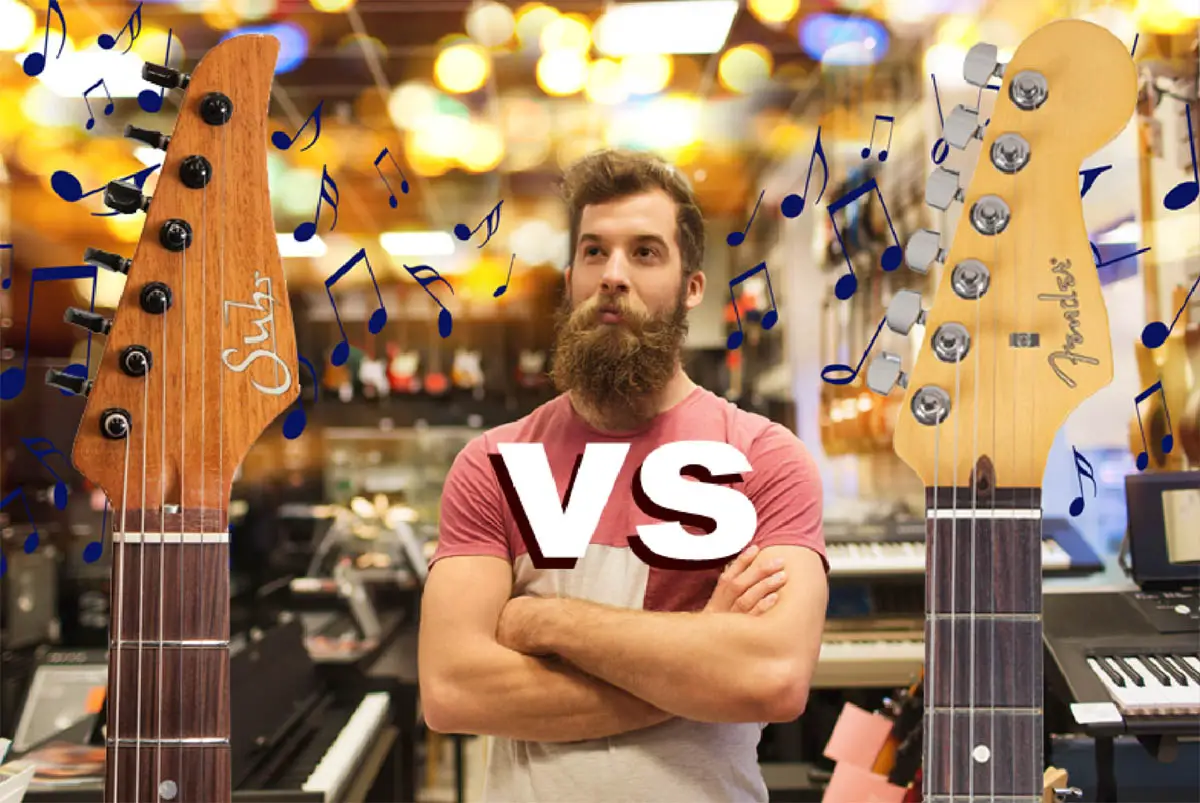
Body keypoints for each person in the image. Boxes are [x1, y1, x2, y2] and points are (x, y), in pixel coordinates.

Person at [419, 149, 828, 802]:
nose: (613, 274)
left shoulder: (766, 458)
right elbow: (452, 691)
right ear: (571, 276)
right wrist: (695, 663)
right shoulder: (493, 463)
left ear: (692, 285)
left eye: (644, 252)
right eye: (593, 251)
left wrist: (540, 624)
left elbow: (771, 679)